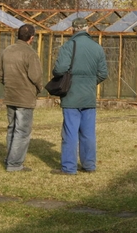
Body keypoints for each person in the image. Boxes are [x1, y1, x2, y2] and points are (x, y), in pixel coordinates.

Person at [51, 18, 108, 175]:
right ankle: (89, 165)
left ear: (72, 30)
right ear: (88, 29)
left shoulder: (69, 46)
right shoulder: (97, 48)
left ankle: (69, 168)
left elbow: (59, 69)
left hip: (71, 96)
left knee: (70, 132)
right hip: (88, 96)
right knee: (88, 133)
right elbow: (103, 73)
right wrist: (90, 83)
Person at [0, 24, 44, 172]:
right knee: (22, 131)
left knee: (12, 128)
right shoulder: (30, 53)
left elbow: (1, 74)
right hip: (25, 97)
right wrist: (39, 88)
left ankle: (9, 159)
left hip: (10, 94)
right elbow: (36, 76)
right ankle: (15, 164)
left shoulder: (7, 51)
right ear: (31, 38)